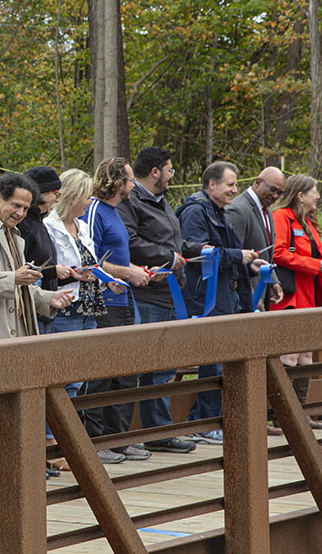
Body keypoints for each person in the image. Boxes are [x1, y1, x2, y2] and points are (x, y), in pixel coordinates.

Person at [0, 173, 74, 491]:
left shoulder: (16, 235)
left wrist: (50, 298)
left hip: (18, 328)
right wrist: (11, 278)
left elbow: (26, 288)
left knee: (12, 402)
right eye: (14, 205)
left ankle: (6, 464)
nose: (20, 212)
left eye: (25, 207)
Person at [116, 147, 196, 455]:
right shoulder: (131, 202)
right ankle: (129, 436)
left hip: (170, 293)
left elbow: (173, 244)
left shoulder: (163, 203)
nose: (171, 176)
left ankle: (158, 431)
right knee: (140, 365)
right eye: (170, 170)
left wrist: (195, 248)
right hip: (146, 294)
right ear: (155, 172)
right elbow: (131, 242)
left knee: (163, 367)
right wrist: (167, 257)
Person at [176, 161, 256, 445]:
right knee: (212, 362)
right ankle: (202, 423)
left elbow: (231, 249)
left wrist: (252, 262)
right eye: (230, 185)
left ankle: (212, 420)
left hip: (225, 297)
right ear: (212, 185)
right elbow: (195, 251)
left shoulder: (218, 213)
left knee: (222, 362)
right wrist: (238, 256)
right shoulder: (195, 212)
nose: (235, 190)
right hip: (205, 299)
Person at [79, 158, 153, 464]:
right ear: (116, 182)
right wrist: (124, 274)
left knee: (125, 372)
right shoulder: (94, 210)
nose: (134, 185)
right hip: (105, 303)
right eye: (131, 180)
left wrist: (136, 271)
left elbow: (116, 257)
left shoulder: (117, 212)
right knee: (101, 374)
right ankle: (96, 442)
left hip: (125, 302)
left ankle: (119, 438)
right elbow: (89, 259)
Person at [43, 168, 107, 467]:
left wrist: (103, 277)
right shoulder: (48, 226)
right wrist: (70, 273)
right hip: (64, 307)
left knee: (79, 380)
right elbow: (48, 268)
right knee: (60, 380)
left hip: (88, 306)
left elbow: (89, 262)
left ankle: (66, 441)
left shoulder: (81, 226)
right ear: (71, 196)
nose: (89, 201)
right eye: (86, 196)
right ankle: (52, 447)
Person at [269, 174, 322, 432]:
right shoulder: (281, 217)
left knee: (306, 354)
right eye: (314, 191)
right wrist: (314, 265)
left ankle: (300, 412)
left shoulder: (306, 221)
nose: (318, 196)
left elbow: (320, 254)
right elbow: (278, 252)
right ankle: (283, 415)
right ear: (300, 195)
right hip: (290, 295)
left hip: (309, 295)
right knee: (290, 353)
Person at [17, 166, 71, 333]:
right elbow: (22, 266)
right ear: (40, 193)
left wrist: (71, 275)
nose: (56, 199)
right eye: (55, 193)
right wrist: (52, 271)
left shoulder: (39, 221)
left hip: (45, 307)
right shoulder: (23, 224)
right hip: (31, 309)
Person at [225, 167, 286, 311]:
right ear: (258, 182)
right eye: (273, 190)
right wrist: (251, 295)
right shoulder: (238, 210)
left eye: (280, 193)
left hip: (261, 295)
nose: (276, 196)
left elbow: (266, 255)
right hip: (244, 299)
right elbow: (233, 257)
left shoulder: (267, 211)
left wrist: (273, 282)